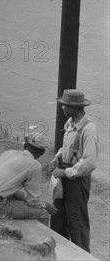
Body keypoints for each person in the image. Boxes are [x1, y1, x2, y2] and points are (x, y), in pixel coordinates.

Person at [50, 89, 99, 252]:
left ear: (73, 108)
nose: (62, 108)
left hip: (76, 181)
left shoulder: (88, 129)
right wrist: (58, 157)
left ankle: (82, 255)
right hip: (63, 177)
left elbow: (89, 162)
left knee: (76, 222)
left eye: (64, 106)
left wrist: (66, 173)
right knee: (58, 218)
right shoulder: (70, 123)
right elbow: (67, 147)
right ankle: (61, 253)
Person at [0, 132, 57, 224]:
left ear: (25, 146)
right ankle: (36, 238)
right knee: (42, 214)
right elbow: (32, 201)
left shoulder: (9, 153)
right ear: (42, 152)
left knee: (18, 202)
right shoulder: (34, 165)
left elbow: (8, 187)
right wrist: (44, 205)